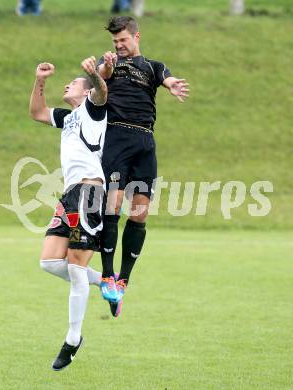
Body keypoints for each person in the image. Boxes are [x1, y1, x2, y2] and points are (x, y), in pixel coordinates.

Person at [97, 16, 190, 315]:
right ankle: (107, 275)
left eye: (123, 40)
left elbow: (167, 78)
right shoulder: (108, 62)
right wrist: (107, 68)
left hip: (145, 141)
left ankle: (123, 282)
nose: (119, 45)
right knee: (112, 205)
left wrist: (173, 84)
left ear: (136, 36)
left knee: (139, 213)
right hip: (117, 136)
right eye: (115, 42)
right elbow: (100, 77)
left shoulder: (152, 66)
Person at [29, 56, 108, 370]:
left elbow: (101, 93)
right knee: (49, 262)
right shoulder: (69, 117)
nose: (68, 84)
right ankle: (106, 282)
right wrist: (40, 80)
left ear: (86, 91)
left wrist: (94, 76)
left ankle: (73, 339)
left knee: (75, 270)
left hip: (90, 191)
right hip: (70, 194)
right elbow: (36, 112)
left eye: (73, 82)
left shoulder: (92, 108)